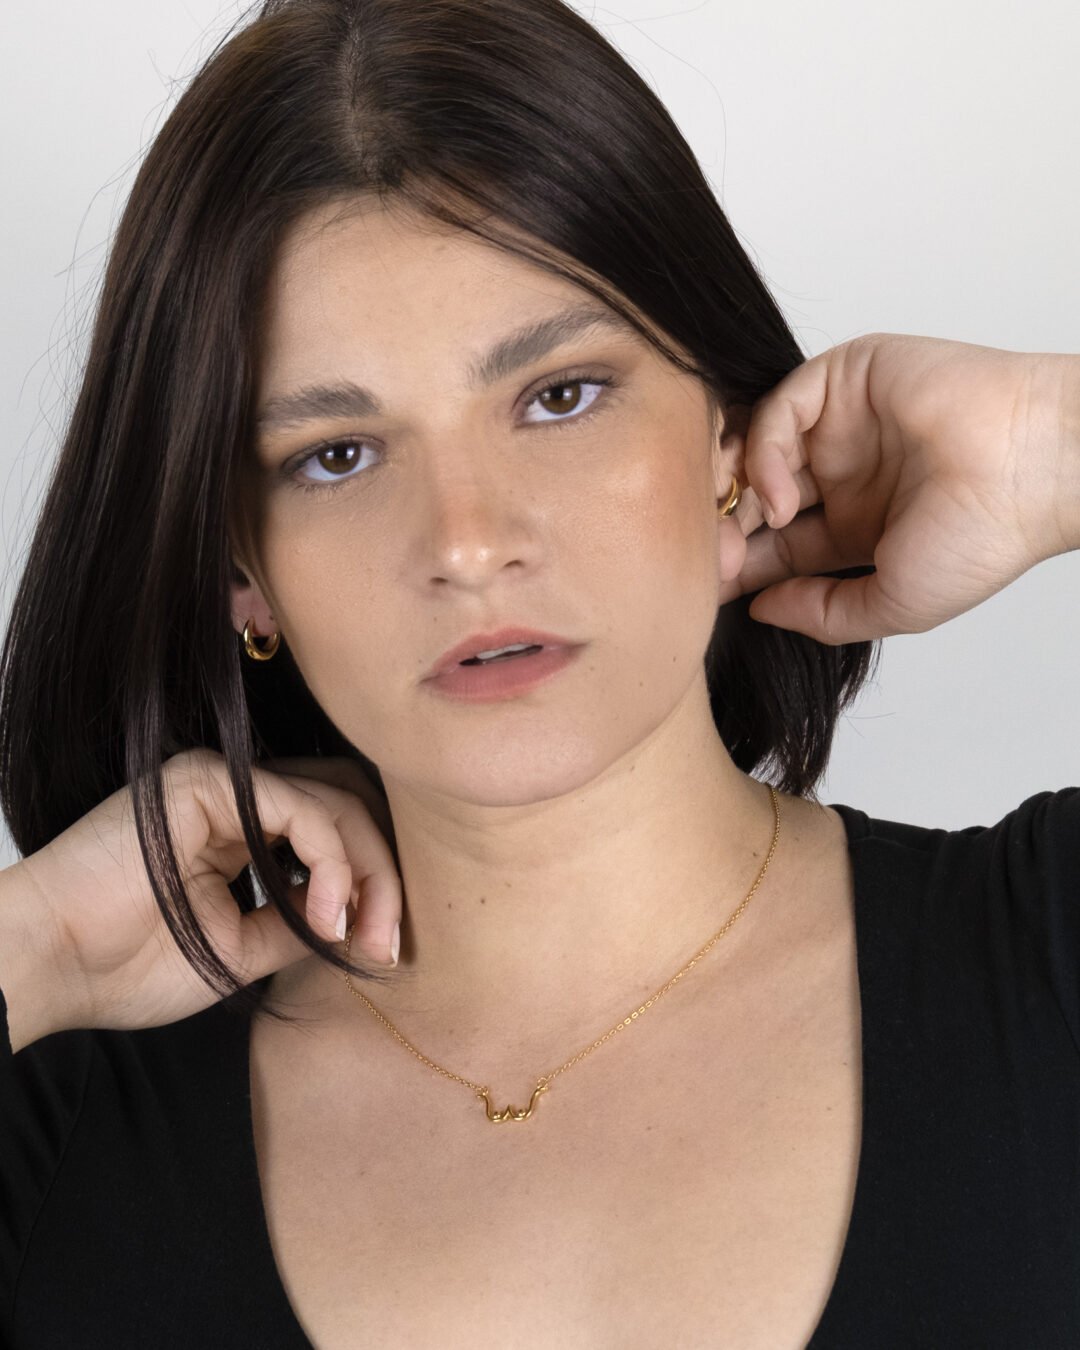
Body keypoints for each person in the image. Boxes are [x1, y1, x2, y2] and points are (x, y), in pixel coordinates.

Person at [0, 0, 1077, 1346]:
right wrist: (27, 952)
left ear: (733, 437)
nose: (466, 540)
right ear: (242, 574)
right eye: (338, 453)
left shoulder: (1048, 963)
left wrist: (1052, 442)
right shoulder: (56, 1119)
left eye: (559, 394)